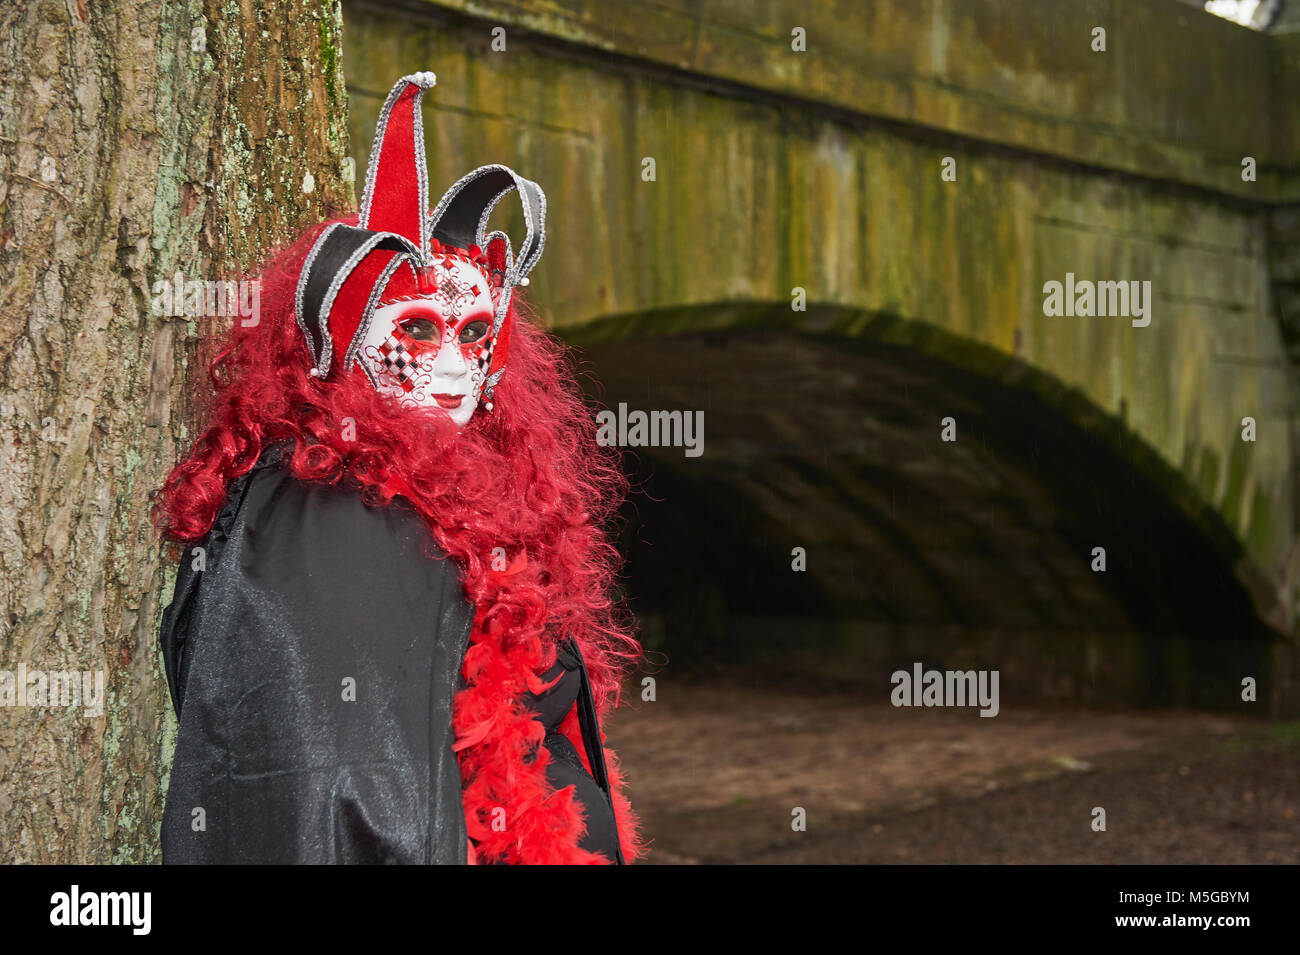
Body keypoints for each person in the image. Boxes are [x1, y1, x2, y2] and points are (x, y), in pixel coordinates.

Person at [154, 71, 644, 865]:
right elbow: (319, 795)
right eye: (417, 328)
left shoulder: (477, 491)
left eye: (476, 333)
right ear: (342, 336)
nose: (455, 365)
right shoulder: (327, 512)